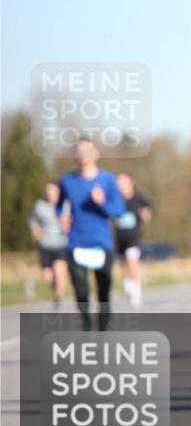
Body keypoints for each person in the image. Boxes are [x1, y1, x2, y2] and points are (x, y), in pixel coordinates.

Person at [57, 138, 126, 330]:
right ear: (75, 155)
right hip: (76, 242)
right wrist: (61, 217)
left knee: (103, 292)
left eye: (87, 150)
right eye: (79, 150)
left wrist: (101, 202)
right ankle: (87, 324)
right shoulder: (67, 181)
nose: (83, 154)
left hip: (102, 242)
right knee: (81, 291)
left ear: (96, 154)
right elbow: (58, 206)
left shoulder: (108, 180)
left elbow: (118, 211)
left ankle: (102, 332)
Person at [113, 172, 153, 308]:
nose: (121, 185)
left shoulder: (138, 196)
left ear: (131, 182)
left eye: (123, 182)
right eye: (119, 183)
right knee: (124, 264)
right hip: (119, 236)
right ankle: (128, 285)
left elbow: (148, 206)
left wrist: (145, 214)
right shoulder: (115, 198)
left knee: (132, 261)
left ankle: (136, 293)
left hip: (134, 236)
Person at [29, 180, 69, 307]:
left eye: (53, 190)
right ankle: (56, 290)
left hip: (61, 244)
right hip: (45, 244)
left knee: (59, 269)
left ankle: (59, 296)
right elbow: (33, 220)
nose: (51, 193)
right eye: (49, 191)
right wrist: (34, 229)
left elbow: (75, 220)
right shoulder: (40, 206)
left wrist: (68, 225)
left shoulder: (66, 205)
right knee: (48, 277)